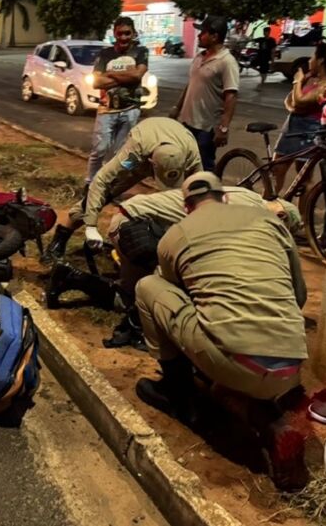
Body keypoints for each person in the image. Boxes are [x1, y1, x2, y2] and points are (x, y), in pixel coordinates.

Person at [135, 172, 309, 491]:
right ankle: (270, 413)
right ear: (225, 196)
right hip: (293, 362)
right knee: (243, 358)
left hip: (236, 362)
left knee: (148, 286)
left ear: (186, 206)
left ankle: (177, 394)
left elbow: (176, 290)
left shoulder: (176, 234)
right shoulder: (267, 221)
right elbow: (299, 295)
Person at [48, 184, 301, 350]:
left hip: (133, 221)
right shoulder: (249, 213)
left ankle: (70, 278)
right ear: (280, 218)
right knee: (174, 289)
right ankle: (148, 336)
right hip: (137, 227)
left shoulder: (247, 196)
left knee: (130, 298)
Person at [42, 117, 201, 262]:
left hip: (171, 146)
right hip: (141, 158)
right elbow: (101, 180)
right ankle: (58, 242)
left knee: (181, 201)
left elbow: (201, 188)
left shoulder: (191, 152)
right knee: (103, 195)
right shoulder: (134, 153)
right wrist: (91, 226)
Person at [169, 15, 239, 172]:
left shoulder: (227, 62)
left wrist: (224, 128)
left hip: (206, 128)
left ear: (214, 36)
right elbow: (191, 84)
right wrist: (177, 107)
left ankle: (209, 195)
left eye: (203, 32)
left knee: (204, 168)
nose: (199, 36)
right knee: (185, 164)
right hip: (187, 122)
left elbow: (231, 96)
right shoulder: (200, 57)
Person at [85, 17, 149, 182]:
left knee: (122, 154)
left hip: (131, 110)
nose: (123, 37)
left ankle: (112, 186)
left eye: (127, 33)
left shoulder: (141, 52)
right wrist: (127, 77)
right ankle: (90, 184)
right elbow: (97, 82)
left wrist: (110, 75)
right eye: (119, 33)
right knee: (99, 150)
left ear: (133, 33)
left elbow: (137, 75)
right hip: (107, 109)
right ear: (114, 34)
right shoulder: (105, 54)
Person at [271, 44, 326, 191]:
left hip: (310, 129)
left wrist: (297, 81)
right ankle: (270, 203)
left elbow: (300, 101)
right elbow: (290, 101)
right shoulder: (312, 79)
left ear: (320, 61)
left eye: (313, 57)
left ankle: (302, 213)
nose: (310, 60)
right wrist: (303, 82)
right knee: (277, 169)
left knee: (304, 177)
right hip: (293, 124)